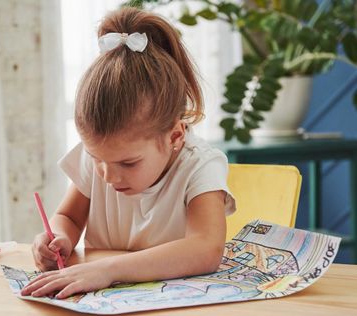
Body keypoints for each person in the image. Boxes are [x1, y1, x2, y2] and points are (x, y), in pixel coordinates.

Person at [22, 7, 235, 299]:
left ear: (175, 136)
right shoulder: (100, 157)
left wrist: (109, 270)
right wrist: (58, 238)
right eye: (96, 159)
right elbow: (68, 217)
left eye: (128, 163)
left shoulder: (200, 166)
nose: (108, 175)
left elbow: (206, 249)